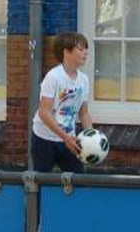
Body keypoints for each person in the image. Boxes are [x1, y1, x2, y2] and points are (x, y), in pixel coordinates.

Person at [32, 31, 93, 173]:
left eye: (86, 49)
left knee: (78, 181)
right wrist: (65, 137)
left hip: (69, 140)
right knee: (41, 184)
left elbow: (83, 113)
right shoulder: (53, 77)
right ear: (66, 52)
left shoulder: (84, 80)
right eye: (81, 49)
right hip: (44, 138)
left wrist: (92, 137)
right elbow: (44, 112)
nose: (85, 53)